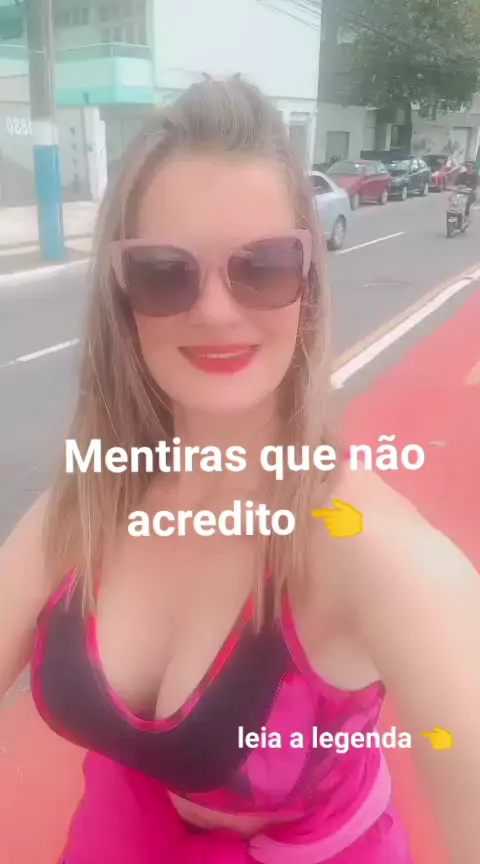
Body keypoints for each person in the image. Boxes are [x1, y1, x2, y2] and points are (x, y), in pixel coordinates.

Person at [1, 77, 480, 864]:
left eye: (262, 266)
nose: (217, 312)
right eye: (166, 271)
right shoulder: (87, 501)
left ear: (308, 283)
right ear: (122, 294)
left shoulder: (377, 554)